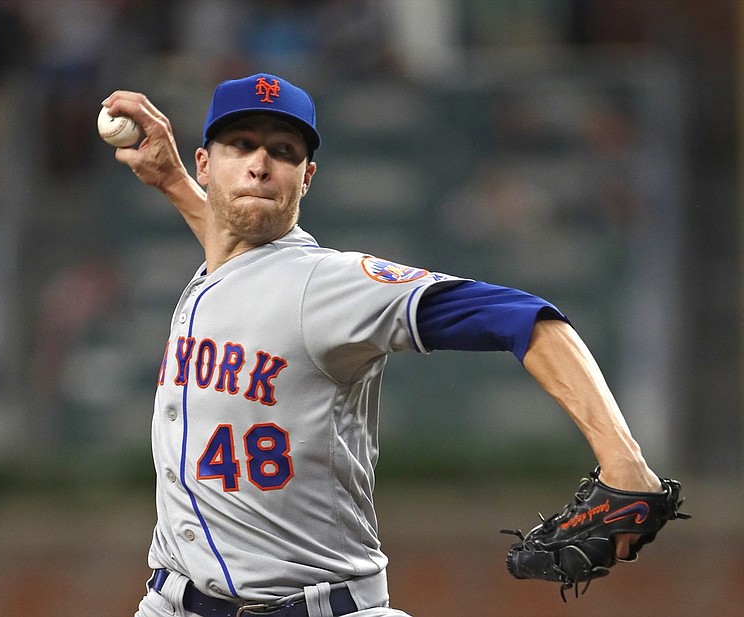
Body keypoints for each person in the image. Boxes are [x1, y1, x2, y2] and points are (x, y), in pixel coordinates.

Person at [102, 73, 663, 617]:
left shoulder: (326, 286)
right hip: (171, 601)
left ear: (307, 177)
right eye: (240, 144)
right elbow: (236, 251)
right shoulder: (222, 270)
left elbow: (525, 319)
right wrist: (172, 181)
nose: (260, 163)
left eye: (283, 150)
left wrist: (625, 462)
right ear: (205, 163)